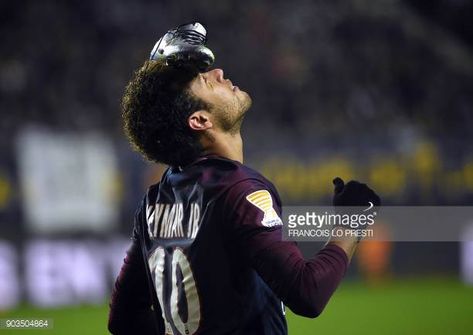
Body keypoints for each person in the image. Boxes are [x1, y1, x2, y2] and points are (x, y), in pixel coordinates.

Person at [108, 22, 380, 335]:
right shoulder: (237, 189)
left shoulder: (154, 201)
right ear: (200, 120)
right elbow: (308, 293)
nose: (220, 74)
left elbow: (122, 319)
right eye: (207, 82)